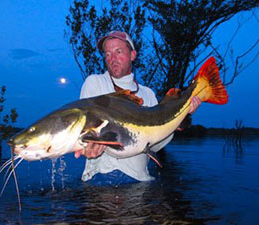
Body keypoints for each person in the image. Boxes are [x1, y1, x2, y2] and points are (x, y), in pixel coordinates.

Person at [74, 31, 201, 184]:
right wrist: (91, 145)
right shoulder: (95, 83)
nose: (112, 58)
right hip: (102, 177)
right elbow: (89, 126)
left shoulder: (147, 94)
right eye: (107, 54)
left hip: (140, 180)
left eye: (118, 52)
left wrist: (179, 119)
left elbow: (156, 144)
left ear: (133, 55)